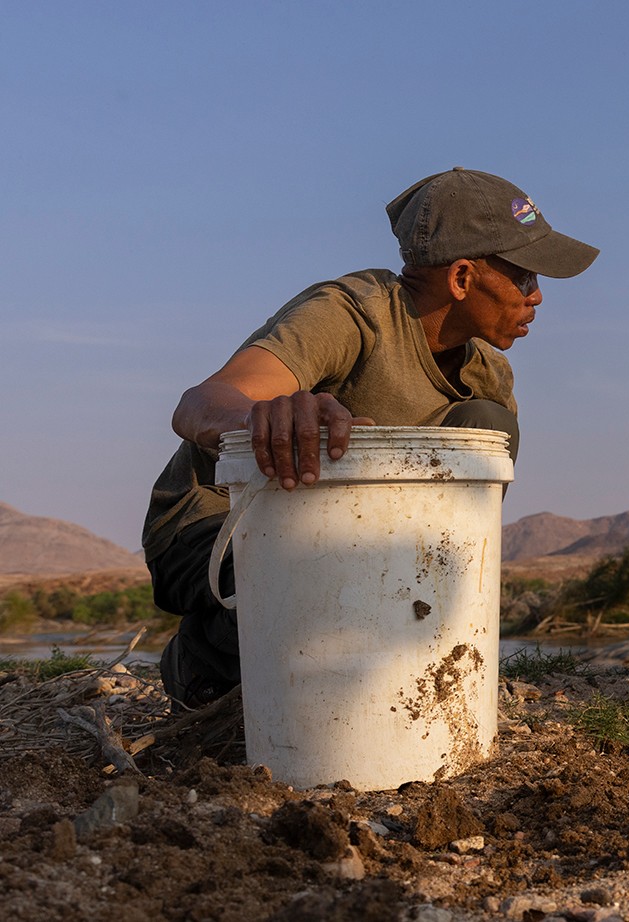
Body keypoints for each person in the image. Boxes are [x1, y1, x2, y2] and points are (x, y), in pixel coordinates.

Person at [143, 168, 599, 708]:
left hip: (352, 547)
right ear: (461, 278)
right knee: (330, 558)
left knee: (489, 432)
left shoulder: (488, 379)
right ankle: (208, 658)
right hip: (219, 530)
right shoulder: (353, 313)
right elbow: (200, 403)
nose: (538, 296)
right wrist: (264, 423)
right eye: (524, 277)